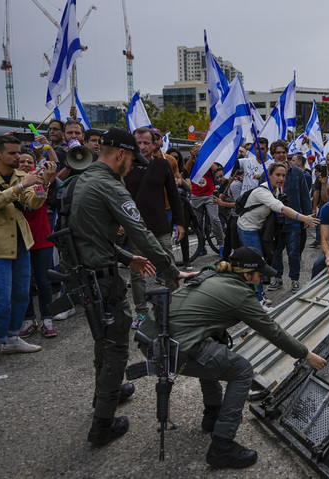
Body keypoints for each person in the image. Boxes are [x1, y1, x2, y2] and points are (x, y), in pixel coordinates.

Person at [59, 128, 194, 446]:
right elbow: (142, 233)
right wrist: (172, 272)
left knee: (102, 336)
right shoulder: (108, 184)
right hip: (101, 278)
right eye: (132, 159)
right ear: (120, 154)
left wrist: (124, 256)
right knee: (116, 344)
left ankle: (106, 392)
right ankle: (102, 423)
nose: (132, 167)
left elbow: (84, 233)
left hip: (85, 270)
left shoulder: (81, 179)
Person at [137, 246, 326, 469]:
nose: (261, 279)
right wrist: (306, 354)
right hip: (172, 348)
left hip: (149, 337)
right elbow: (272, 331)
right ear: (247, 275)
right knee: (242, 370)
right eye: (260, 275)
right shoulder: (240, 294)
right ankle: (222, 446)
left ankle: (213, 415)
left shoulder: (212, 274)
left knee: (213, 348)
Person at [0, 135, 58, 371]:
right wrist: (21, 185)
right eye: (12, 153)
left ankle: (11, 338)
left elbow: (34, 203)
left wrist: (45, 183)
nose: (18, 157)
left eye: (18, 153)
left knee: (21, 293)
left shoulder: (22, 176)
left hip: (21, 243)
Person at [126, 127, 184, 329]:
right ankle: (141, 312)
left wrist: (180, 222)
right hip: (134, 229)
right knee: (137, 273)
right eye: (138, 143)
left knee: (169, 267)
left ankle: (174, 306)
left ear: (155, 144)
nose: (142, 146)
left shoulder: (162, 165)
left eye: (146, 143)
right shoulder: (125, 164)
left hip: (161, 227)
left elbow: (174, 196)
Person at [237, 162, 319, 304]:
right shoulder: (263, 191)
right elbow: (282, 208)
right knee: (257, 262)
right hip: (247, 228)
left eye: (283, 175)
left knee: (259, 261)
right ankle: (259, 299)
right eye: (277, 175)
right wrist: (303, 217)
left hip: (259, 228)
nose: (281, 178)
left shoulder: (277, 191)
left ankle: (257, 294)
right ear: (269, 175)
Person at [16, 150, 59, 339]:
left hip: (41, 236)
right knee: (24, 282)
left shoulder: (42, 180)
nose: (25, 164)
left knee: (43, 281)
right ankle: (29, 319)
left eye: (29, 161)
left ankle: (47, 319)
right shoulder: (11, 183)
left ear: (35, 164)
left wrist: (46, 179)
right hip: (19, 239)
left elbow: (55, 170)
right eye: (21, 161)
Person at [267, 141, 313, 293]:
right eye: (278, 152)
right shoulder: (267, 173)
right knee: (276, 252)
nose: (281, 155)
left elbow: (304, 196)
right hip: (274, 221)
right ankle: (277, 278)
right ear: (272, 154)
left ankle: (295, 280)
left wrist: (307, 216)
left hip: (294, 220)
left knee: (294, 252)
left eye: (283, 152)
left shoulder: (298, 172)